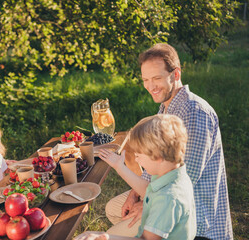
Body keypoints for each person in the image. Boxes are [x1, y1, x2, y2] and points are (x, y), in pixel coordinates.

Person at [105, 43, 233, 239]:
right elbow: (157, 166)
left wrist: (148, 204)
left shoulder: (195, 113)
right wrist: (134, 195)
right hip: (162, 191)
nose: (150, 86)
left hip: (192, 214)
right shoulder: (168, 107)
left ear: (176, 74)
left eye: (157, 78)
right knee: (112, 208)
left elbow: (182, 178)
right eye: (146, 79)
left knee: (108, 235)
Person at [76, 114, 197, 240]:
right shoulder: (174, 174)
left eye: (139, 155)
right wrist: (119, 166)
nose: (136, 160)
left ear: (158, 156)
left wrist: (106, 237)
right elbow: (147, 189)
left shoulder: (167, 199)